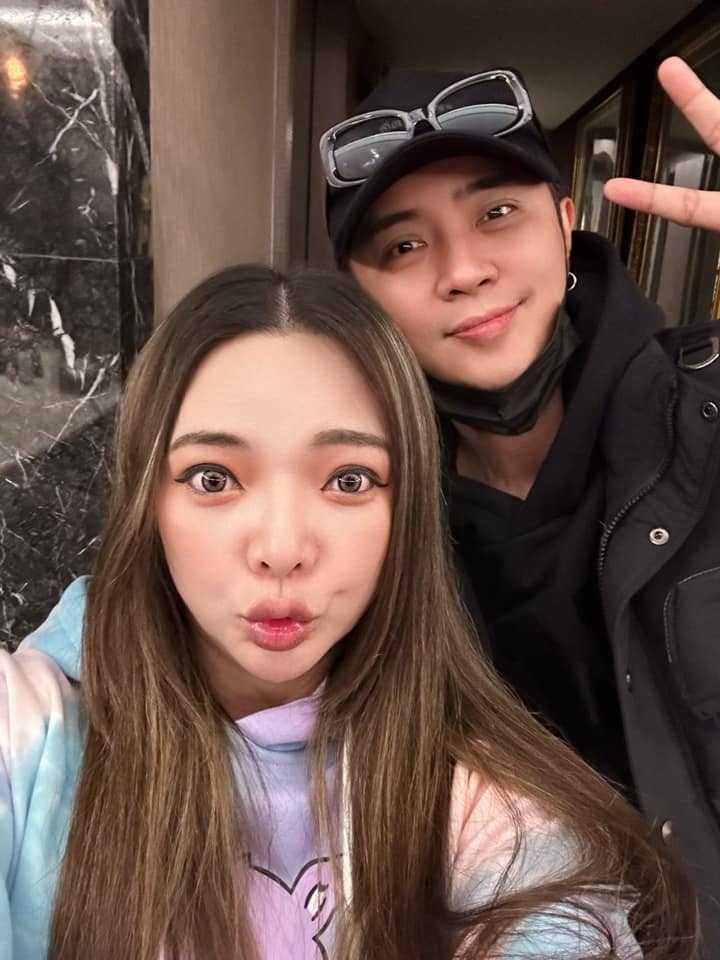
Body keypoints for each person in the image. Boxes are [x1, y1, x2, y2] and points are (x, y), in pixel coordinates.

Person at [0, 266, 697, 959]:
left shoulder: (493, 821)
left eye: (348, 479)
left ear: (407, 512)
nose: (281, 550)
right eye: (213, 478)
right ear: (147, 501)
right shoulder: (30, 738)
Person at [319, 56, 720, 951]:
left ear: (567, 224)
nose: (463, 270)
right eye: (403, 246)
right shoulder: (368, 518)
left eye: (497, 213)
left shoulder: (710, 415)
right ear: (360, 298)